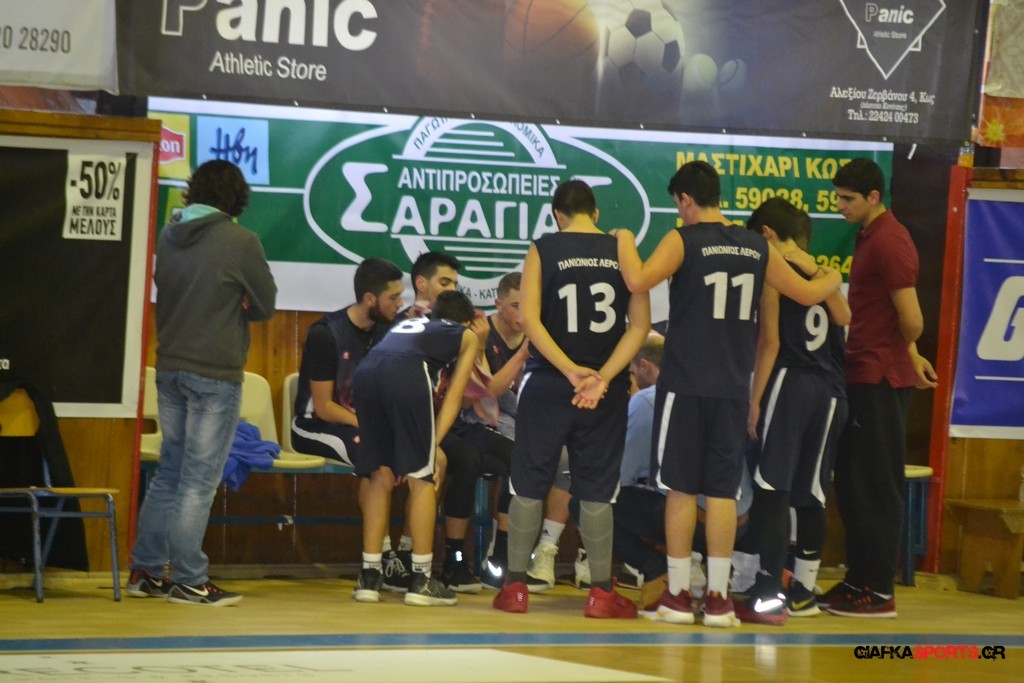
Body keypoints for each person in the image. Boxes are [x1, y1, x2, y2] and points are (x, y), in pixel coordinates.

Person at [615, 160, 841, 628]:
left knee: (680, 489)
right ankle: (719, 600)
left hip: (685, 384)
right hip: (734, 388)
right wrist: (833, 276)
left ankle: (679, 596)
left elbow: (637, 280)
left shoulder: (684, 239)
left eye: (679, 205)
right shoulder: (757, 246)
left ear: (685, 200)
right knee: (721, 491)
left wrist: (623, 241)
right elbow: (806, 295)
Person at [493, 179, 651, 619]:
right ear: (595, 213)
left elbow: (530, 320)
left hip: (548, 384)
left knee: (529, 481)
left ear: (557, 215)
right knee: (598, 489)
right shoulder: (621, 248)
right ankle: (600, 594)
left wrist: (568, 371)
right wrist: (601, 377)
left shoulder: (543, 248)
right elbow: (639, 327)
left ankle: (515, 588)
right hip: (604, 389)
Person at [127, 160, 277, 606]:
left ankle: (146, 570)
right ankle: (189, 578)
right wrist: (241, 300)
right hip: (214, 372)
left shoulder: (169, 235)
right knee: (198, 480)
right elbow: (265, 305)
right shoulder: (241, 241)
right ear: (237, 198)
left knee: (170, 473)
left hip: (169, 367)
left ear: (194, 191)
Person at [820, 158, 937, 618]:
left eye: (848, 198)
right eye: (838, 197)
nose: (840, 205)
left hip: (879, 380)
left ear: (874, 196)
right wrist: (909, 352)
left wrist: (902, 352)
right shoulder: (870, 235)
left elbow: (913, 320)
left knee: (876, 485)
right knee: (853, 484)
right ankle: (858, 581)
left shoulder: (891, 240)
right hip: (866, 373)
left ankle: (879, 591)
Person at [732, 198, 851, 625]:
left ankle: (767, 590)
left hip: (790, 383)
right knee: (812, 493)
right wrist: (827, 274)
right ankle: (804, 590)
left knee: (773, 489)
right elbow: (844, 315)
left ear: (765, 234)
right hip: (830, 389)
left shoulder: (773, 269)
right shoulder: (820, 272)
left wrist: (754, 399)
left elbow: (772, 342)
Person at [351, 290, 480, 606]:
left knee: (379, 474)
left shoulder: (410, 325)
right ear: (467, 322)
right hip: (405, 375)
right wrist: (430, 448)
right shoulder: (466, 335)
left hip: (365, 374)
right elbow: (454, 397)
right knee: (423, 478)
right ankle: (421, 579)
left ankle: (370, 576)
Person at [291, 258, 404, 466]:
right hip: (314, 425)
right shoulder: (325, 334)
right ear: (370, 299)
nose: (401, 304)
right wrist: (370, 426)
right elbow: (323, 408)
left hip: (360, 424)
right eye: (394, 297)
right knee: (376, 457)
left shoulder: (390, 331)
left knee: (412, 454)